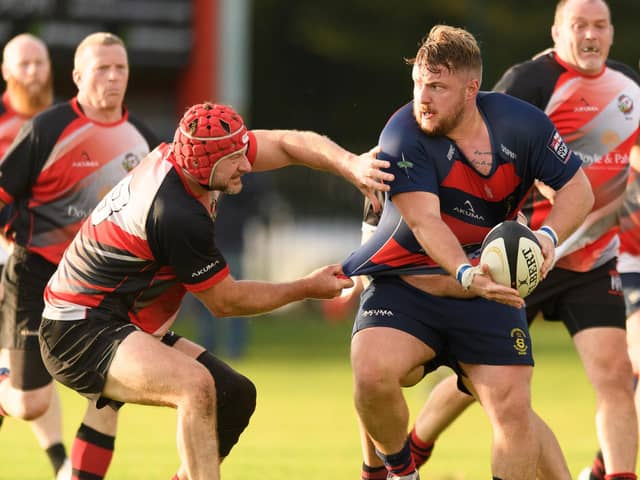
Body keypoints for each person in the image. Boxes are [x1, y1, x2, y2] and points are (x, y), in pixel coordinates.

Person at [38, 101, 392, 480]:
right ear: (206, 164)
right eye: (236, 159)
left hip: (118, 322)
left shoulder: (199, 162)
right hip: (78, 330)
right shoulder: (175, 211)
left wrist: (351, 164)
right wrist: (306, 286)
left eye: (244, 153)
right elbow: (226, 301)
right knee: (195, 387)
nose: (246, 166)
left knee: (234, 396)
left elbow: (289, 143)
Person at [341, 24, 594, 480]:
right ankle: (399, 472)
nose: (423, 97)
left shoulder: (522, 126)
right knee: (370, 371)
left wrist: (548, 238)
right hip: (407, 288)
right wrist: (463, 271)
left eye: (436, 86)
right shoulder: (403, 133)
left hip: (487, 295)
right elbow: (426, 222)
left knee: (514, 411)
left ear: (471, 88)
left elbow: (578, 189)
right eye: (418, 83)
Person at [400, 2, 640, 480]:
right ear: (557, 32)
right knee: (480, 379)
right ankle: (416, 444)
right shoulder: (529, 81)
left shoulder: (628, 85)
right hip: (519, 257)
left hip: (593, 258)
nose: (590, 36)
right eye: (579, 26)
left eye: (599, 26)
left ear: (612, 33)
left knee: (615, 374)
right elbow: (475, 147)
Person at [0, 32, 158, 480]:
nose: (112, 77)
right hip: (35, 275)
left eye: (120, 68)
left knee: (108, 393)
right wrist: (19, 229)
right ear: (77, 76)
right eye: (101, 69)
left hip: (99, 288)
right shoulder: (47, 129)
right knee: (31, 403)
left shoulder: (144, 141)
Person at [0, 33, 69, 480]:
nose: (33, 71)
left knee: (29, 371)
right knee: (18, 371)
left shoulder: (67, 123)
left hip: (51, 261)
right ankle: (66, 467)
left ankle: (64, 466)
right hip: (5, 259)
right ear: (6, 71)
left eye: (39, 62)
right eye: (23, 64)